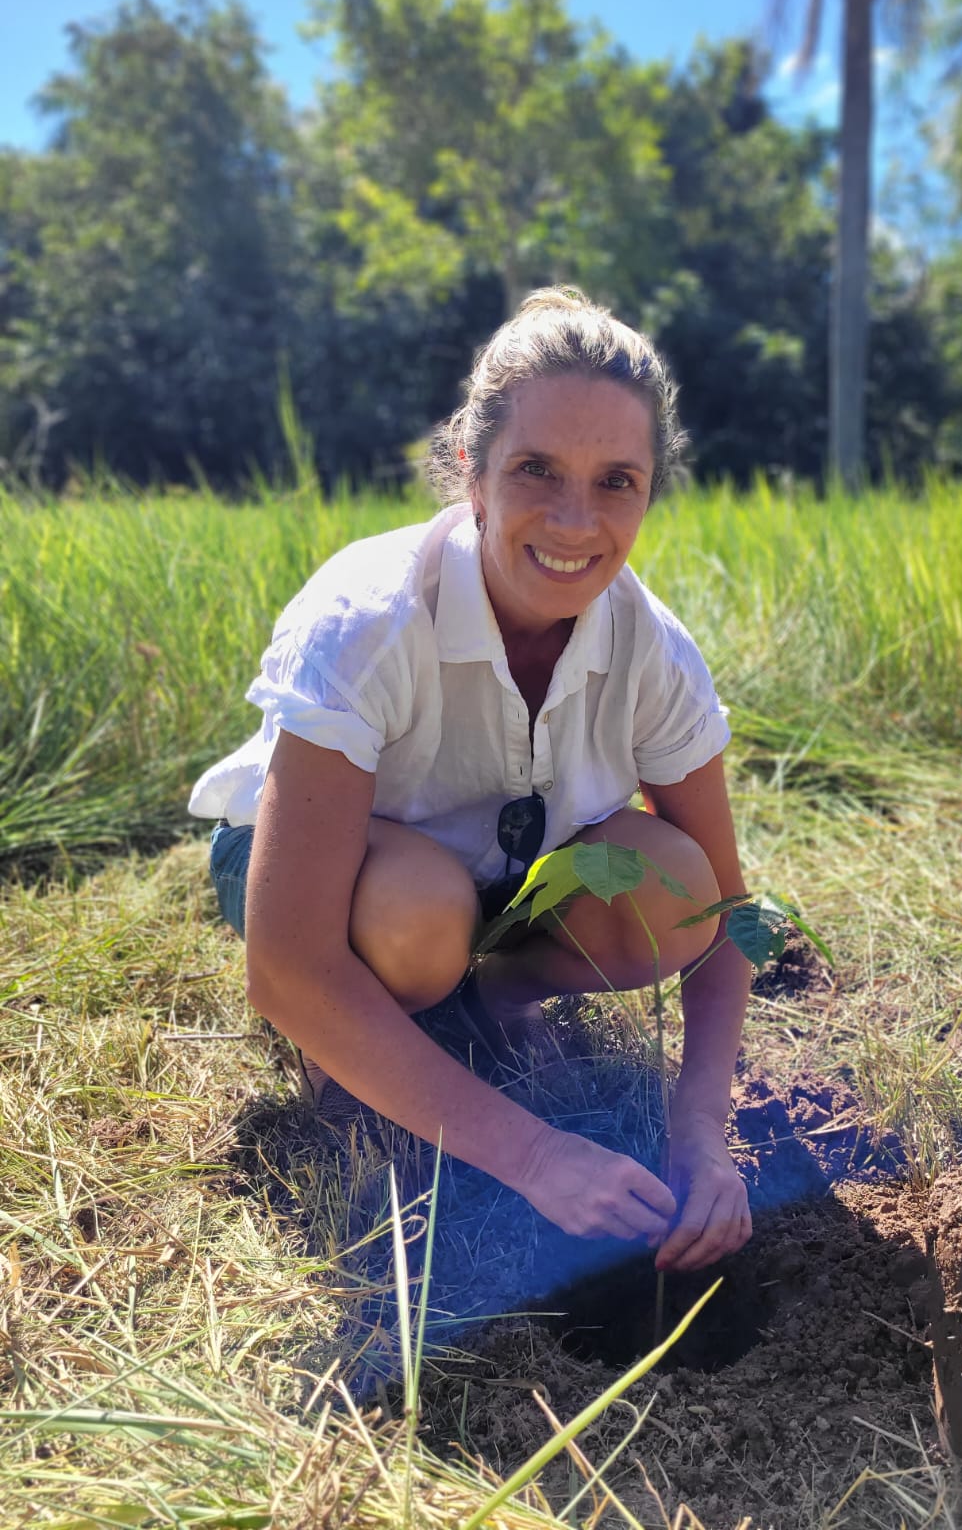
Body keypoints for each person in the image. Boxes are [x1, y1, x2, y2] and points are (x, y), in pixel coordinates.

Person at [189, 287, 753, 1273]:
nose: (576, 520)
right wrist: (534, 1153)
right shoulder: (368, 618)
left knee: (679, 887)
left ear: (651, 491)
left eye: (617, 480)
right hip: (323, 883)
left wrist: (704, 1127)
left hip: (497, 882)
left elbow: (737, 915)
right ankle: (359, 1062)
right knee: (417, 909)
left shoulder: (654, 651)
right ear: (473, 473)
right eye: (537, 468)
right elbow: (283, 963)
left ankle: (486, 1003)